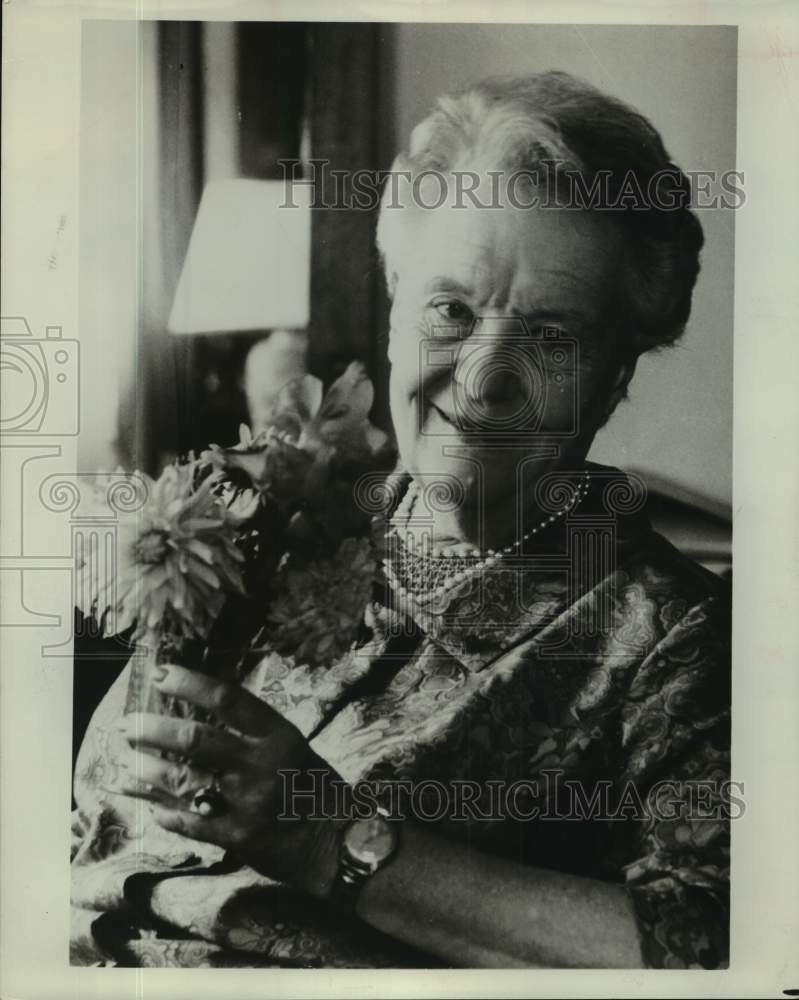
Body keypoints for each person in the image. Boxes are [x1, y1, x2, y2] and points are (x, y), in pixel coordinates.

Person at [71, 71, 731, 969]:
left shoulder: (674, 639)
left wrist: (334, 842)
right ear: (392, 315)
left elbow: (713, 951)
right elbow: (88, 832)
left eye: (549, 337)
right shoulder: (254, 527)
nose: (485, 374)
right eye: (450, 309)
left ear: (614, 377)